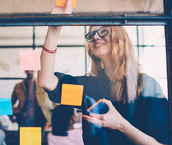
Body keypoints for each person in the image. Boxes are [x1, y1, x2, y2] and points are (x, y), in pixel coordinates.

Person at [37, 0, 169, 145]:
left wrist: (121, 124)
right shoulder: (88, 87)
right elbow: (46, 81)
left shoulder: (147, 86)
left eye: (103, 30)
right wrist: (54, 30)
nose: (95, 36)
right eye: (91, 34)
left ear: (119, 38)